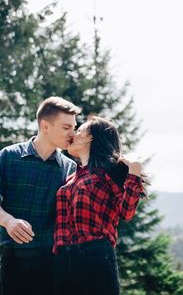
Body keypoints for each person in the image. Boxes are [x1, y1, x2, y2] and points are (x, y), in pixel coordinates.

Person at [0, 96, 81, 295]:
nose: (73, 134)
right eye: (66, 127)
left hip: (52, 260)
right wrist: (9, 221)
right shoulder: (8, 156)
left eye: (74, 127)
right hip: (13, 259)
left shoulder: (71, 168)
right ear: (45, 125)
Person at [53, 116, 147, 295]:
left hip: (94, 253)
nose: (73, 134)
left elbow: (126, 213)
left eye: (79, 131)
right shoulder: (72, 177)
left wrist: (134, 171)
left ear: (90, 137)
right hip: (62, 257)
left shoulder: (106, 172)